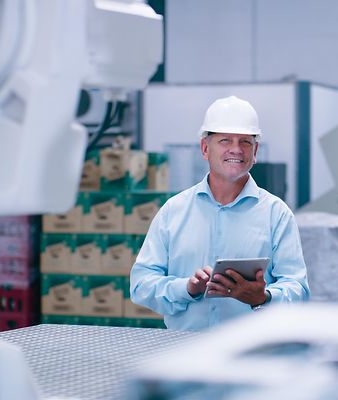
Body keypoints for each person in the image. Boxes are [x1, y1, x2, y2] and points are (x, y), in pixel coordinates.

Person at [130, 95, 310, 331]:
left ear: (255, 152)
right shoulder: (173, 212)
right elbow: (141, 285)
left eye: (245, 142)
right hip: (184, 352)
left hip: (250, 355)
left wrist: (263, 297)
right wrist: (187, 288)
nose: (236, 149)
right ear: (205, 148)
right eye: (225, 140)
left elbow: (298, 289)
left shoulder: (276, 214)